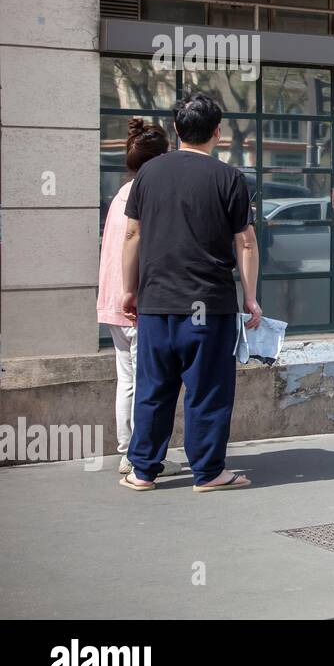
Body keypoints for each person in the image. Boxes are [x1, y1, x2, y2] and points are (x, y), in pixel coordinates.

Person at [120, 93, 262, 492]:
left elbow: (132, 234)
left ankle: (143, 471)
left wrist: (129, 290)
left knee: (153, 388)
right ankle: (209, 472)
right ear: (218, 131)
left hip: (156, 302)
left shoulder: (147, 174)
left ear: (177, 130)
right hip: (208, 305)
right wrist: (250, 297)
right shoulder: (229, 178)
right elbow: (246, 243)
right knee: (208, 390)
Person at [97, 118, 183, 476]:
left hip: (114, 299)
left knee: (128, 380)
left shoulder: (120, 194)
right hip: (135, 300)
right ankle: (138, 454)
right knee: (146, 381)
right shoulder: (144, 196)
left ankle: (126, 450)